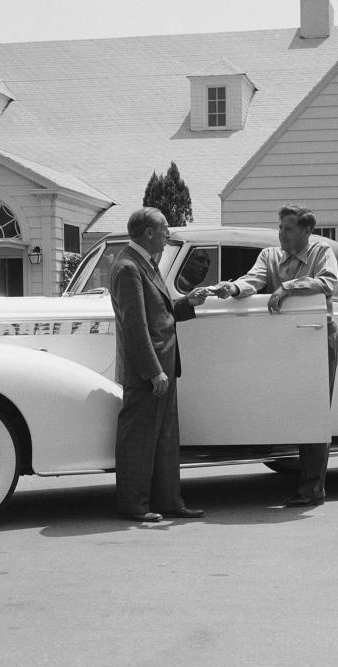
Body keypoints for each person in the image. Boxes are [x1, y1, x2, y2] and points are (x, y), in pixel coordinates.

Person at [211, 204, 338, 508]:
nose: (281, 233)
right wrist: (232, 287)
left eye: (288, 228)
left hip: (319, 337)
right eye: (280, 227)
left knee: (313, 411)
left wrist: (288, 287)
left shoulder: (322, 252)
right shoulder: (269, 256)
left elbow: (328, 282)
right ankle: (289, 474)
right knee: (286, 405)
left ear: (306, 231)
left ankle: (312, 489)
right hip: (283, 339)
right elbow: (252, 279)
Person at [109, 207, 208, 522]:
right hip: (147, 371)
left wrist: (186, 304)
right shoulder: (128, 267)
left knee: (165, 439)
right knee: (139, 440)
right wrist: (153, 371)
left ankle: (169, 502)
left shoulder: (142, 263)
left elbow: (157, 312)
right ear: (149, 232)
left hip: (162, 366)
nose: (168, 235)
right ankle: (134, 506)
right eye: (164, 229)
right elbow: (135, 325)